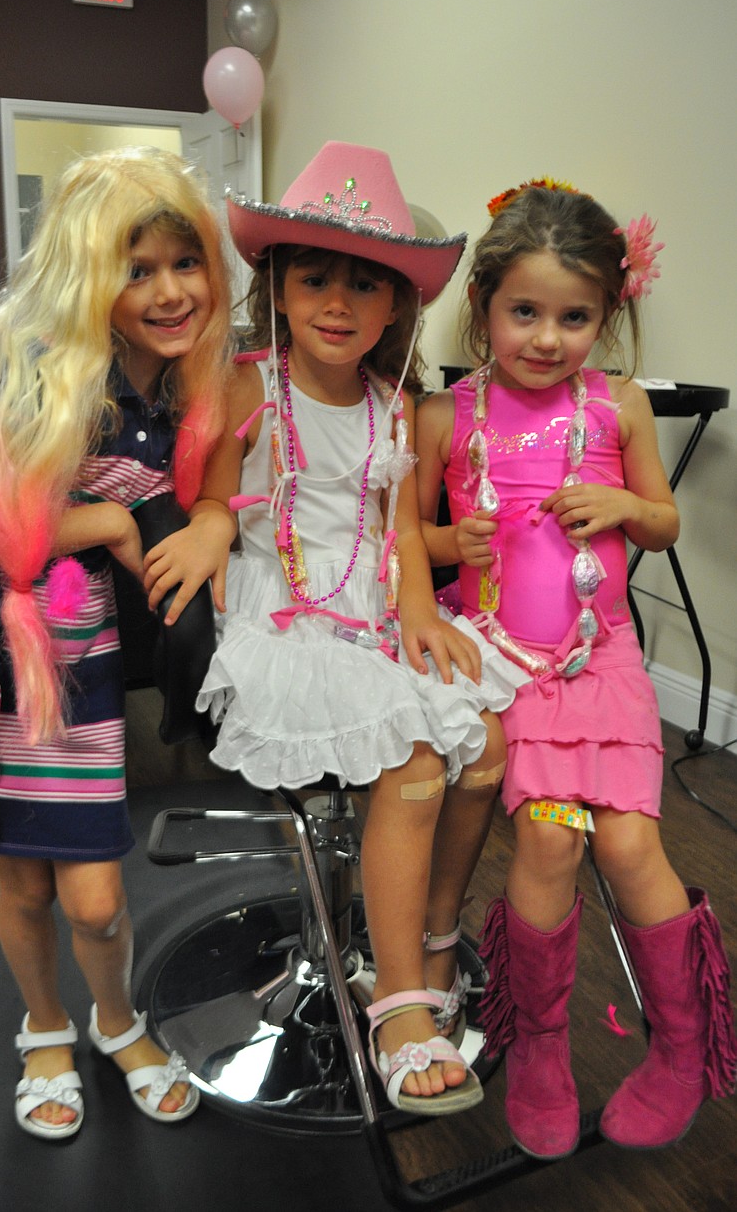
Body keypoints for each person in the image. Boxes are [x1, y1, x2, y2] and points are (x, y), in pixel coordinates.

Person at [0, 147, 237, 1139]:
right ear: (91, 277)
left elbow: (216, 490)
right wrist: (108, 527)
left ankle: (116, 1022)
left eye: (185, 261)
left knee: (92, 897)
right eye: (137, 268)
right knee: (22, 880)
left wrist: (209, 520)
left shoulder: (178, 386)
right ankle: (45, 1026)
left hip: (72, 658)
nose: (170, 290)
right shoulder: (37, 375)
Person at [192, 141, 530, 1115]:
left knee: (486, 748)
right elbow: (216, 507)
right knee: (418, 764)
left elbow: (396, 537)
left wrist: (420, 612)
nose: (338, 302)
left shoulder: (397, 408)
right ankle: (396, 1003)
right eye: (315, 278)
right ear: (279, 289)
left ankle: (423, 937)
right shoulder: (249, 389)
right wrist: (207, 545)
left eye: (364, 285)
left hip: (376, 612)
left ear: (397, 306)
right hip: (283, 622)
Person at [416, 179, 736, 1156]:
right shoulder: (447, 417)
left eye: (574, 316)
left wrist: (626, 512)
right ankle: (543, 1045)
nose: (547, 337)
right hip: (509, 668)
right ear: (482, 309)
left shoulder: (620, 406)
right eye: (525, 311)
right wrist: (449, 542)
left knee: (633, 847)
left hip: (601, 670)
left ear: (606, 316)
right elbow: (407, 546)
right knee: (551, 845)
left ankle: (683, 1051)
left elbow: (664, 517)